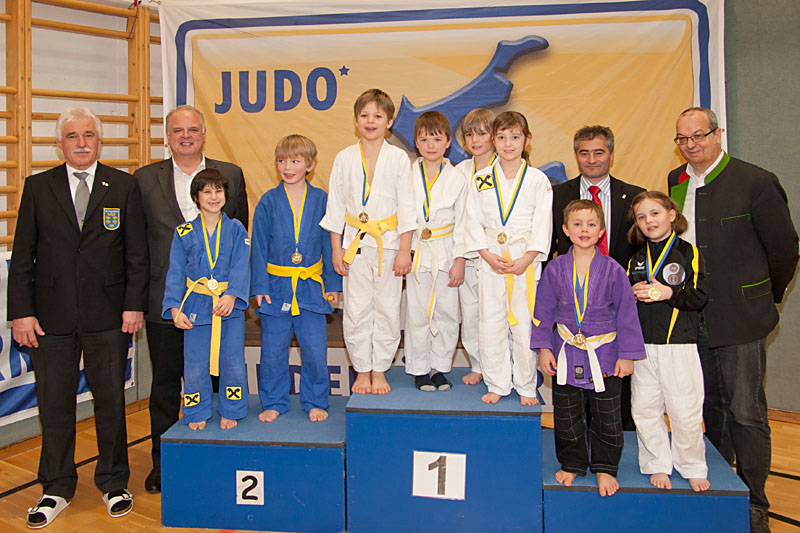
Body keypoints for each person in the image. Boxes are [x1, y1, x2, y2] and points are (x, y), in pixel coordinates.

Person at [8, 107, 148, 527]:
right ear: (59, 143)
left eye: (89, 135)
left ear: (99, 141)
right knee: (54, 405)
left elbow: (137, 254)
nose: (82, 143)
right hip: (50, 319)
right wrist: (21, 314)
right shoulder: (38, 187)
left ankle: (114, 481)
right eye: (72, 136)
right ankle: (56, 487)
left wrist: (134, 304)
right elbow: (23, 257)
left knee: (110, 403)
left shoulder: (123, 185)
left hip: (109, 316)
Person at [668, 107, 798, 532]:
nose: (691, 145)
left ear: (717, 134)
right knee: (710, 408)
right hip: (694, 319)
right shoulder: (676, 182)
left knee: (746, 412)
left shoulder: (756, 181)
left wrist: (762, 297)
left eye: (699, 135)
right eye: (683, 138)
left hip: (743, 318)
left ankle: (755, 501)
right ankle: (721, 492)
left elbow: (784, 249)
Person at [134, 104, 248, 492]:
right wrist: (164, 302)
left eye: (193, 129)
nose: (186, 135)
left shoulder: (231, 174)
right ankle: (165, 464)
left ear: (203, 133)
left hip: (220, 305)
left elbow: (241, 242)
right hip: (173, 302)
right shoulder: (144, 178)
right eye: (177, 130)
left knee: (222, 371)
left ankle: (220, 456)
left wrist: (233, 292)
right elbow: (138, 245)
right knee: (168, 383)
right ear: (167, 136)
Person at [532, 199, 645, 497]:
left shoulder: (614, 270)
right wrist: (544, 348)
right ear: (566, 229)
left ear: (601, 231)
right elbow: (543, 310)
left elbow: (627, 314)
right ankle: (572, 462)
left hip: (605, 353)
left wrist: (627, 355)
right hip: (566, 351)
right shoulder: (555, 268)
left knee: (607, 415)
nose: (584, 230)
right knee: (567, 414)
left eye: (591, 224)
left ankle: (605, 467)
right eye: (578, 224)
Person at [320, 88, 416, 395]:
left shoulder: (398, 158)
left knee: (387, 309)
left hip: (389, 244)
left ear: (389, 121)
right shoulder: (344, 157)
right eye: (364, 115)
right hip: (354, 245)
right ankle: (362, 369)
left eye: (377, 115)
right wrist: (336, 249)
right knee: (356, 310)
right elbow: (335, 207)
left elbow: (408, 207)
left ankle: (380, 369)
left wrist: (405, 250)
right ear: (355, 120)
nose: (370, 121)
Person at [550, 125, 644, 431]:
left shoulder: (634, 196)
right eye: (584, 153)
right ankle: (577, 443)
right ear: (575, 155)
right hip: (572, 309)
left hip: (617, 305)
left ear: (611, 155)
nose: (591, 159)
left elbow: (644, 249)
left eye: (599, 152)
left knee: (615, 387)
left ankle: (615, 441)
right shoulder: (556, 196)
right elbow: (548, 248)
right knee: (573, 391)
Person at [463, 111, 552, 405]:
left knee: (524, 324)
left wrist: (528, 258)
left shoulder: (537, 180)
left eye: (515, 137)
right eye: (501, 137)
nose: (508, 143)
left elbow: (543, 222)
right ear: (493, 140)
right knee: (490, 323)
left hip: (524, 261)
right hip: (491, 260)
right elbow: (472, 220)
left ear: (527, 140)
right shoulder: (482, 178)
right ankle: (497, 382)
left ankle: (526, 385)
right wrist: (486, 255)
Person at [251, 135, 342, 422]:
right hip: (275, 287)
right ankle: (273, 402)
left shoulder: (322, 200)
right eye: (281, 161)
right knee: (273, 352)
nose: (287, 167)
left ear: (310, 165)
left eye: (295, 161)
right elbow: (258, 246)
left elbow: (329, 245)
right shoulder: (268, 201)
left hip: (311, 287)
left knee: (314, 350)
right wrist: (259, 286)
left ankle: (315, 401)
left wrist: (332, 284)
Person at [627, 191, 709, 492]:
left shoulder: (689, 253)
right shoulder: (636, 259)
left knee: (684, 409)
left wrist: (668, 293)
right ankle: (656, 462)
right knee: (644, 408)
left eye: (655, 213)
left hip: (679, 344)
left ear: (671, 215)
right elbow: (626, 303)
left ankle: (691, 465)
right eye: (642, 217)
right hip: (644, 347)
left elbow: (700, 296)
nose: (649, 221)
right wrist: (632, 294)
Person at [163, 169, 250, 430]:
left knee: (232, 361)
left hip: (228, 306)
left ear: (226, 195)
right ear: (196, 197)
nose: (213, 197)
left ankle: (232, 408)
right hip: (196, 306)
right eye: (207, 192)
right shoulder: (184, 231)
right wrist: (174, 307)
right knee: (195, 362)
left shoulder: (236, 229)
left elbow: (241, 265)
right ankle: (196, 409)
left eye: (218, 191)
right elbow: (176, 271)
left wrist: (232, 294)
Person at [404, 111, 467, 391]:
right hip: (417, 249)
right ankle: (419, 368)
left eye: (437, 139)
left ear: (448, 142)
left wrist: (460, 260)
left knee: (447, 312)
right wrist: (403, 251)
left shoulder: (457, 177)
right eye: (424, 139)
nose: (431, 145)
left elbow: (463, 222)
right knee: (417, 312)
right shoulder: (406, 174)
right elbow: (402, 216)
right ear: (416, 142)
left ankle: (440, 367)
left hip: (446, 249)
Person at [454, 108, 496, 386]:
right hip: (467, 255)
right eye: (469, 134)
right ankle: (478, 365)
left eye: (482, 133)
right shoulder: (459, 171)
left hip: (495, 255)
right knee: (470, 314)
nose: (475, 140)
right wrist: (458, 256)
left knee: (496, 315)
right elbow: (457, 218)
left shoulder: (505, 169)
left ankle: (501, 366)